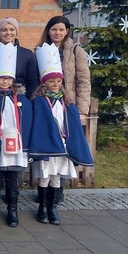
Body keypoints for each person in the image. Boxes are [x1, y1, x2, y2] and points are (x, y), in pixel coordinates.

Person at [30, 43, 94, 225]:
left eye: (58, 81)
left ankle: (52, 208)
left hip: (63, 145)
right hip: (46, 145)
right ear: (45, 83)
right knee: (44, 176)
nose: (56, 85)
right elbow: (39, 124)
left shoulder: (67, 102)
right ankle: (42, 207)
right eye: (52, 82)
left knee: (56, 176)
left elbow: (71, 124)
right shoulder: (39, 101)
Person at [0, 43, 33, 227]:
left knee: (12, 180)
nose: (4, 81)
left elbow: (27, 123)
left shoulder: (22, 100)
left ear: (13, 80)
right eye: (1, 78)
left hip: (15, 146)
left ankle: (12, 210)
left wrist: (24, 144)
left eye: (8, 78)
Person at [39, 15, 91, 118]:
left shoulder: (76, 51)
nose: (57, 33)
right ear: (48, 31)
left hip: (69, 103)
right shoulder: (40, 51)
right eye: (54, 29)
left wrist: (82, 110)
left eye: (61, 30)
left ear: (67, 31)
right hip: (46, 103)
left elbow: (83, 81)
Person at [0, 17, 40, 98]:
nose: (8, 33)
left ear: (16, 32)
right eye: (4, 30)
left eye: (12, 29)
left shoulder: (27, 54)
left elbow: (32, 81)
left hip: (19, 98)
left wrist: (31, 100)